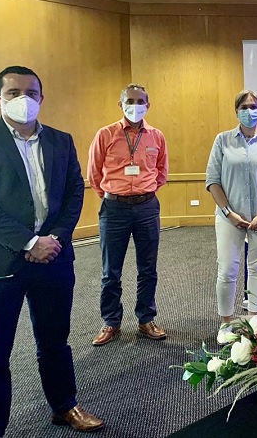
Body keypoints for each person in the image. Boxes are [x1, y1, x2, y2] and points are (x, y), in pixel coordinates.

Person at [0, 66, 104, 436]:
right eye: (13, 92)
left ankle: (64, 406)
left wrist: (54, 238)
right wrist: (30, 242)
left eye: (31, 92)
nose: (23, 99)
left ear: (41, 98)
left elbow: (74, 193)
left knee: (55, 342)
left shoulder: (60, 140)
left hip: (54, 257)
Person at [88, 84, 169, 346]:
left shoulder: (156, 136)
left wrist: (143, 193)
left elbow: (161, 171)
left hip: (147, 207)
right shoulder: (105, 134)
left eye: (140, 101)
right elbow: (94, 174)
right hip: (114, 209)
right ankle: (111, 321)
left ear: (148, 105)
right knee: (110, 271)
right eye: (130, 101)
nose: (135, 106)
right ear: (120, 104)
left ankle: (146, 319)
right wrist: (114, 196)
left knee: (148, 268)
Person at [206, 90, 257, 341]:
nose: (249, 111)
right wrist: (228, 213)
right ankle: (226, 323)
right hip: (229, 217)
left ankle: (254, 320)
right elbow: (212, 180)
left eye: (253, 106)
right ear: (236, 111)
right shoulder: (222, 140)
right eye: (244, 107)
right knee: (227, 269)